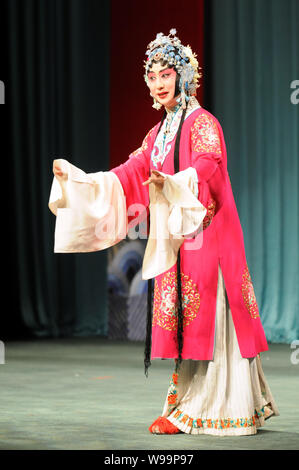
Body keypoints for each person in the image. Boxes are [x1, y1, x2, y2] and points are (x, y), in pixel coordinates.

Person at [49, 29, 279, 436]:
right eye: (152, 75)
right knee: (184, 318)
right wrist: (80, 180)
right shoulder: (157, 135)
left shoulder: (202, 122)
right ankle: (185, 405)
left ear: (184, 76)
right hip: (179, 238)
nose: (158, 82)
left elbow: (209, 163)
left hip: (211, 232)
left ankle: (224, 406)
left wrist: (178, 181)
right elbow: (130, 172)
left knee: (211, 313)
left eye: (165, 73)